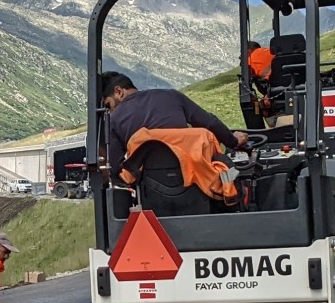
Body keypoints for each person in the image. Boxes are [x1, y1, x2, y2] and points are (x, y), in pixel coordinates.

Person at [99, 71, 249, 214]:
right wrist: (234, 140)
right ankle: (238, 201)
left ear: (119, 92)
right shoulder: (172, 96)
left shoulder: (114, 120)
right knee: (229, 167)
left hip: (152, 200)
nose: (110, 111)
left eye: (108, 105)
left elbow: (114, 169)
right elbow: (210, 123)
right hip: (200, 189)